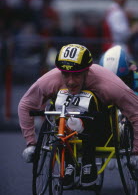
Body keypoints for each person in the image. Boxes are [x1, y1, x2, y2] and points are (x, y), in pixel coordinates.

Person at [19, 44, 138, 188]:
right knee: (59, 97)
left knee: (91, 98)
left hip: (101, 125)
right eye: (65, 74)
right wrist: (31, 143)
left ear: (87, 71)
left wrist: (135, 150)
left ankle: (88, 161)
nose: (70, 81)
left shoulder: (109, 84)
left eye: (76, 75)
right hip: (64, 122)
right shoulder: (51, 79)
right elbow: (26, 104)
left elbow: (135, 112)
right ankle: (68, 161)